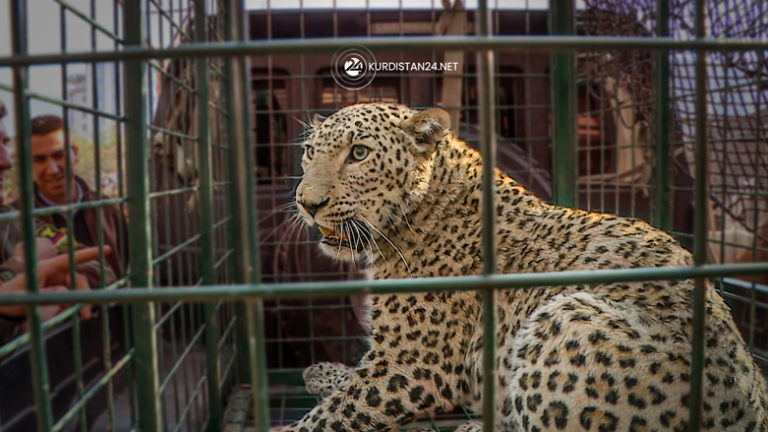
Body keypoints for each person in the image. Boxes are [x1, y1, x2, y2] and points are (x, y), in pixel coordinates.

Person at [23, 114, 124, 281]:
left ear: (75, 153)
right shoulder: (14, 218)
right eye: (39, 159)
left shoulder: (108, 207)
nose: (52, 169)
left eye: (58, 155)